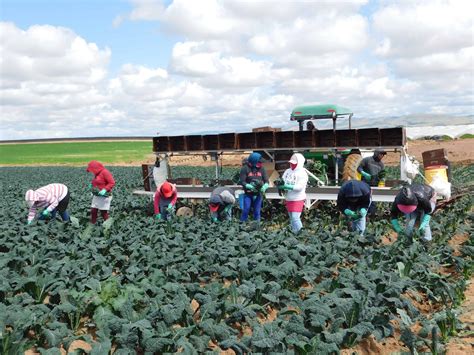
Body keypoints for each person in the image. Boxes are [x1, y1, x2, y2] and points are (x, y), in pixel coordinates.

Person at [278, 153, 308, 233]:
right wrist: (280, 185)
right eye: (291, 163)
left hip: (298, 199)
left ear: (300, 163)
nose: (292, 165)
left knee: (295, 217)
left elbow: (299, 187)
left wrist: (288, 186)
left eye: (294, 163)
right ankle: (295, 233)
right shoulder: (288, 171)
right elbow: (283, 180)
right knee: (291, 218)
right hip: (289, 198)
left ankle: (302, 233)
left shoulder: (302, 173)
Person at [239, 152, 269, 222]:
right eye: (259, 162)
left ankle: (257, 227)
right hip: (248, 194)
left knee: (257, 211)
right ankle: (242, 225)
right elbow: (242, 181)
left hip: (258, 194)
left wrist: (265, 186)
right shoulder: (245, 168)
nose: (261, 164)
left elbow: (266, 181)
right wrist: (248, 185)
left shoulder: (262, 169)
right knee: (246, 209)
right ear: (253, 161)